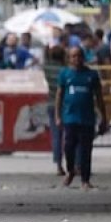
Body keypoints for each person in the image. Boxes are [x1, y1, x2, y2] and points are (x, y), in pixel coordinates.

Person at [55, 46, 109, 190]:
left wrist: (104, 118)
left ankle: (85, 179)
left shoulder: (91, 75)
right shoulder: (65, 74)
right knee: (68, 148)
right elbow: (59, 96)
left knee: (86, 150)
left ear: (83, 57)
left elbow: (99, 98)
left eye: (79, 56)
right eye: (73, 56)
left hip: (87, 119)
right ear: (69, 59)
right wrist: (58, 116)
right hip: (70, 118)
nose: (76, 59)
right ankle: (71, 170)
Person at [44, 46, 66, 175]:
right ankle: (75, 164)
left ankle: (59, 165)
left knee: (56, 136)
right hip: (65, 105)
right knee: (70, 136)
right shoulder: (65, 70)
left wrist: (47, 53)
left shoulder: (47, 69)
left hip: (51, 104)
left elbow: (45, 61)